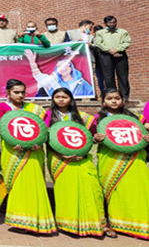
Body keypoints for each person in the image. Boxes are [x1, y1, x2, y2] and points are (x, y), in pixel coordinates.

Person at [46, 88, 113, 238]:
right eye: (58, 97)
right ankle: (69, 224)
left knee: (92, 188)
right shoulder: (48, 116)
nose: (61, 99)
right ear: (53, 99)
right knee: (66, 190)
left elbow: (93, 135)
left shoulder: (82, 117)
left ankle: (99, 224)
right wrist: (62, 155)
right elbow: (45, 138)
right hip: (58, 159)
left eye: (65, 97)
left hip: (82, 158)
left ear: (71, 99)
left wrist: (96, 139)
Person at [0, 79, 56, 234]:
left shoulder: (35, 109)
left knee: (34, 184)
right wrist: (11, 141)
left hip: (34, 152)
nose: (20, 95)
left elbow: (43, 128)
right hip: (13, 151)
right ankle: (20, 222)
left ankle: (38, 220)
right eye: (16, 92)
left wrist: (38, 142)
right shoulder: (2, 107)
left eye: (22, 92)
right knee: (17, 185)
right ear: (7, 93)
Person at [94, 88, 149, 239]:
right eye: (110, 98)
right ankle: (115, 223)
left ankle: (140, 223)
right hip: (111, 160)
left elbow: (142, 134)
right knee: (113, 192)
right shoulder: (97, 118)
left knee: (137, 190)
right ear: (103, 101)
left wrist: (147, 138)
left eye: (117, 98)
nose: (114, 101)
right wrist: (95, 138)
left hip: (133, 160)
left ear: (122, 100)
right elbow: (88, 137)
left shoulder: (134, 118)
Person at [24, 48, 93, 97]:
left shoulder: (81, 82)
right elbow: (37, 74)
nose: (63, 68)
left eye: (65, 66)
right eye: (59, 67)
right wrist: (32, 62)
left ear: (71, 68)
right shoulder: (53, 81)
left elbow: (90, 94)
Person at [93, 16, 131, 100]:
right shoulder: (100, 33)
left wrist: (117, 50)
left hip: (120, 55)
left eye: (114, 22)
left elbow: (127, 42)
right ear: (106, 23)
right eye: (110, 23)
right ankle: (112, 95)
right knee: (108, 76)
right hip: (106, 55)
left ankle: (124, 96)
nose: (112, 24)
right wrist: (110, 50)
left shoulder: (122, 32)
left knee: (123, 76)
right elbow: (98, 43)